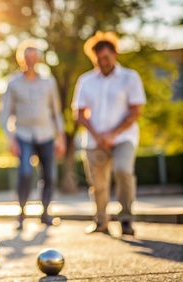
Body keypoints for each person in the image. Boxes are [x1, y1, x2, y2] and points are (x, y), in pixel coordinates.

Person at [72, 31, 146, 235]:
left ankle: (127, 220)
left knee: (123, 171)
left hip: (124, 138)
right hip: (94, 141)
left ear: (114, 54)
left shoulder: (130, 78)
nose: (102, 62)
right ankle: (101, 221)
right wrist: (98, 136)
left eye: (106, 57)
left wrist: (112, 135)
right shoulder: (86, 81)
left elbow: (135, 111)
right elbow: (78, 113)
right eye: (97, 59)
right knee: (98, 184)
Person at [0, 41, 66, 230]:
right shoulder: (13, 84)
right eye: (27, 58)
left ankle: (45, 214)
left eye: (34, 57)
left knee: (50, 175)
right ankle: (21, 213)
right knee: (25, 172)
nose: (31, 61)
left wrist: (61, 138)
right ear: (22, 60)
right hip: (23, 134)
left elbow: (56, 112)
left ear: (38, 59)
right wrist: (10, 139)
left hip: (46, 134)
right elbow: (5, 114)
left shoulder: (49, 82)